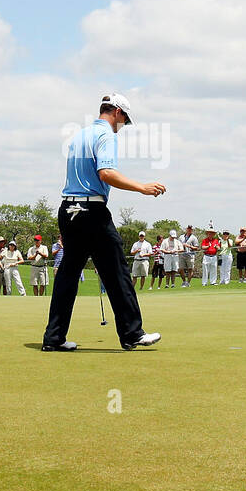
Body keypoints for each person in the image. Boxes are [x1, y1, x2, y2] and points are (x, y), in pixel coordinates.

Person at [42, 92, 164, 351]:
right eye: (125, 120)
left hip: (68, 210)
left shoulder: (79, 135)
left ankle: (53, 338)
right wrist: (142, 187)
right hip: (91, 213)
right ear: (117, 112)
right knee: (117, 272)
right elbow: (106, 173)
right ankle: (132, 333)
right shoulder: (105, 135)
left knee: (67, 276)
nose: (123, 126)